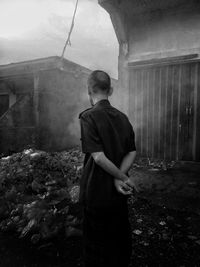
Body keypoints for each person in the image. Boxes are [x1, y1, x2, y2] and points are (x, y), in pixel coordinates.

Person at [79, 70, 137, 267]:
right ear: (110, 90)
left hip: (96, 191)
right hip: (118, 193)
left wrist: (119, 176)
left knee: (96, 245)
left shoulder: (88, 117)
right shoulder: (123, 118)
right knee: (119, 239)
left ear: (89, 90)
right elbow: (132, 152)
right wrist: (120, 177)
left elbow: (98, 157)